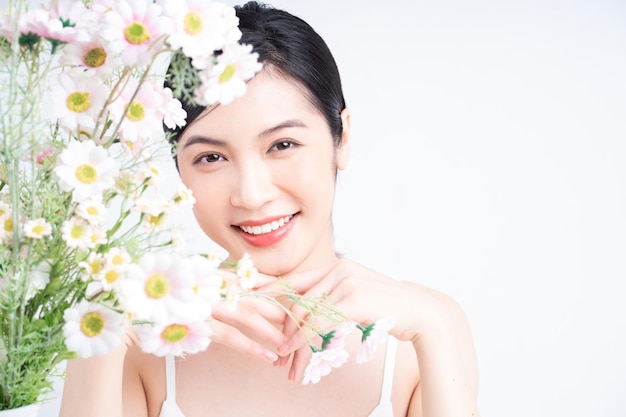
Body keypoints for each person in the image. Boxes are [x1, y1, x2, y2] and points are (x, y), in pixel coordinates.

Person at [60, 1, 480, 416]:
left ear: (342, 138)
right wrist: (103, 330)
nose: (252, 194)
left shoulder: (421, 332)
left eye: (282, 145)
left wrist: (436, 325)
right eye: (211, 157)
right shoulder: (144, 338)